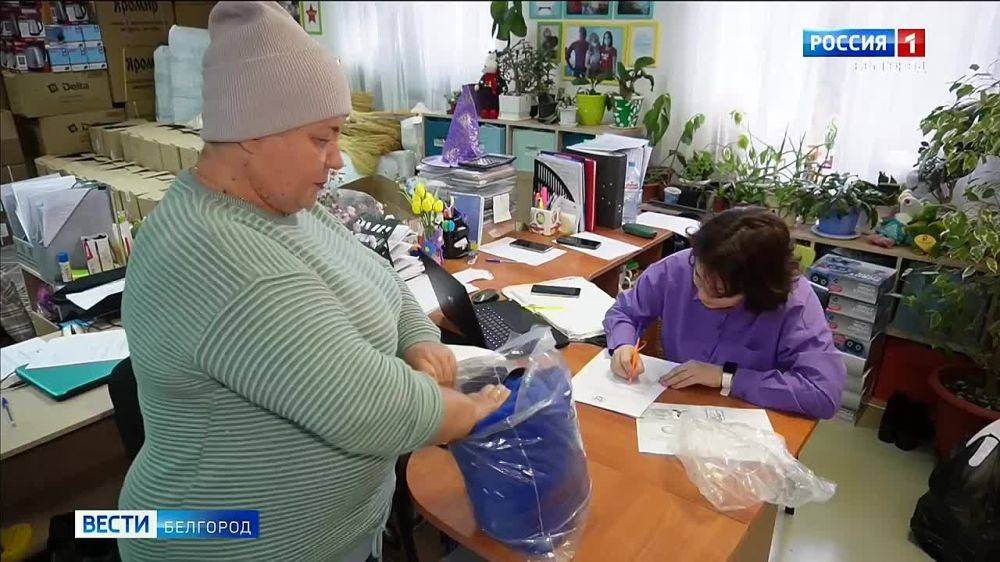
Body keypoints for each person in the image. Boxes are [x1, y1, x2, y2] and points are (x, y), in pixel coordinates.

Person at [118, 3, 510, 561]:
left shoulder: (290, 208)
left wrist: (416, 337)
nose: (336, 159)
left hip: (334, 537)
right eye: (321, 138)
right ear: (251, 131)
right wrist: (466, 411)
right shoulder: (220, 256)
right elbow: (369, 405)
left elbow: (380, 276)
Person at [603, 208, 846, 419]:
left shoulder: (795, 302)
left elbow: (823, 393)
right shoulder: (678, 267)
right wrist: (623, 345)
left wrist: (727, 377)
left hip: (745, 418)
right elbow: (625, 311)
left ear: (756, 290)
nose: (701, 296)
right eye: (698, 278)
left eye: (719, 294)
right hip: (671, 404)